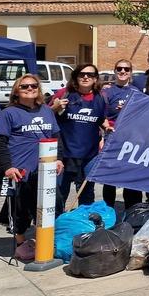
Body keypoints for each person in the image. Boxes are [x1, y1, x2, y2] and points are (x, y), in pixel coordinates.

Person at [0, 75, 63, 261]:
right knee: (19, 210)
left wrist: (59, 159)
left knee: (51, 206)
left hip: (44, 171)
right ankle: (21, 242)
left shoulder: (47, 111)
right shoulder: (8, 113)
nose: (29, 88)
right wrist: (7, 167)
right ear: (16, 90)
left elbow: (56, 137)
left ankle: (45, 241)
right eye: (24, 86)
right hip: (19, 171)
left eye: (33, 85)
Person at [51, 63, 106, 214]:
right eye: (82, 74)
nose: (86, 77)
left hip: (89, 155)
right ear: (76, 77)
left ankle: (83, 227)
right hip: (65, 155)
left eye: (90, 75)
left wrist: (108, 128)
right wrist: (54, 108)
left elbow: (101, 120)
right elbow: (46, 116)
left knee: (86, 194)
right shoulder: (64, 93)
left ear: (95, 79)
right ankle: (56, 226)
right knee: (60, 193)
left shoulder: (100, 98)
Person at [101, 59, 142, 209]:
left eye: (126, 69)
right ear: (115, 71)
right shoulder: (107, 92)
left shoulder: (136, 92)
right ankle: (108, 210)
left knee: (130, 176)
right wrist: (105, 129)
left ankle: (132, 210)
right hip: (112, 139)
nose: (123, 71)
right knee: (109, 178)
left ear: (131, 72)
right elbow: (101, 115)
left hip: (131, 140)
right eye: (119, 68)